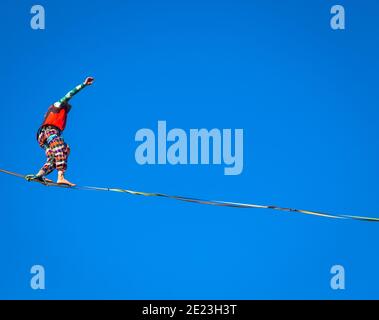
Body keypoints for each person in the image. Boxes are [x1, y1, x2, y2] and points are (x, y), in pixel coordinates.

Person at [26, 77, 94, 186]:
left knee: (60, 153)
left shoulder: (54, 112)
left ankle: (40, 175)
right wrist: (83, 84)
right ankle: (60, 177)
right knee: (61, 149)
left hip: (43, 136)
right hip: (49, 131)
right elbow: (69, 94)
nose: (68, 109)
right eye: (67, 107)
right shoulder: (58, 105)